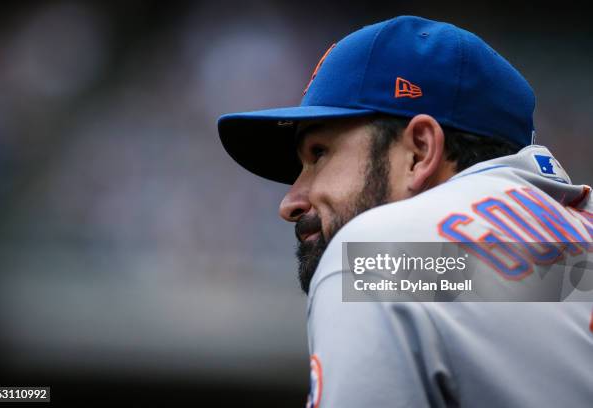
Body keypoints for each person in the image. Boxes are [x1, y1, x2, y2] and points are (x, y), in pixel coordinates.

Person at [217, 16, 593, 407]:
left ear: (419, 151)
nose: (289, 203)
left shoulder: (378, 260)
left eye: (319, 154)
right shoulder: (560, 259)